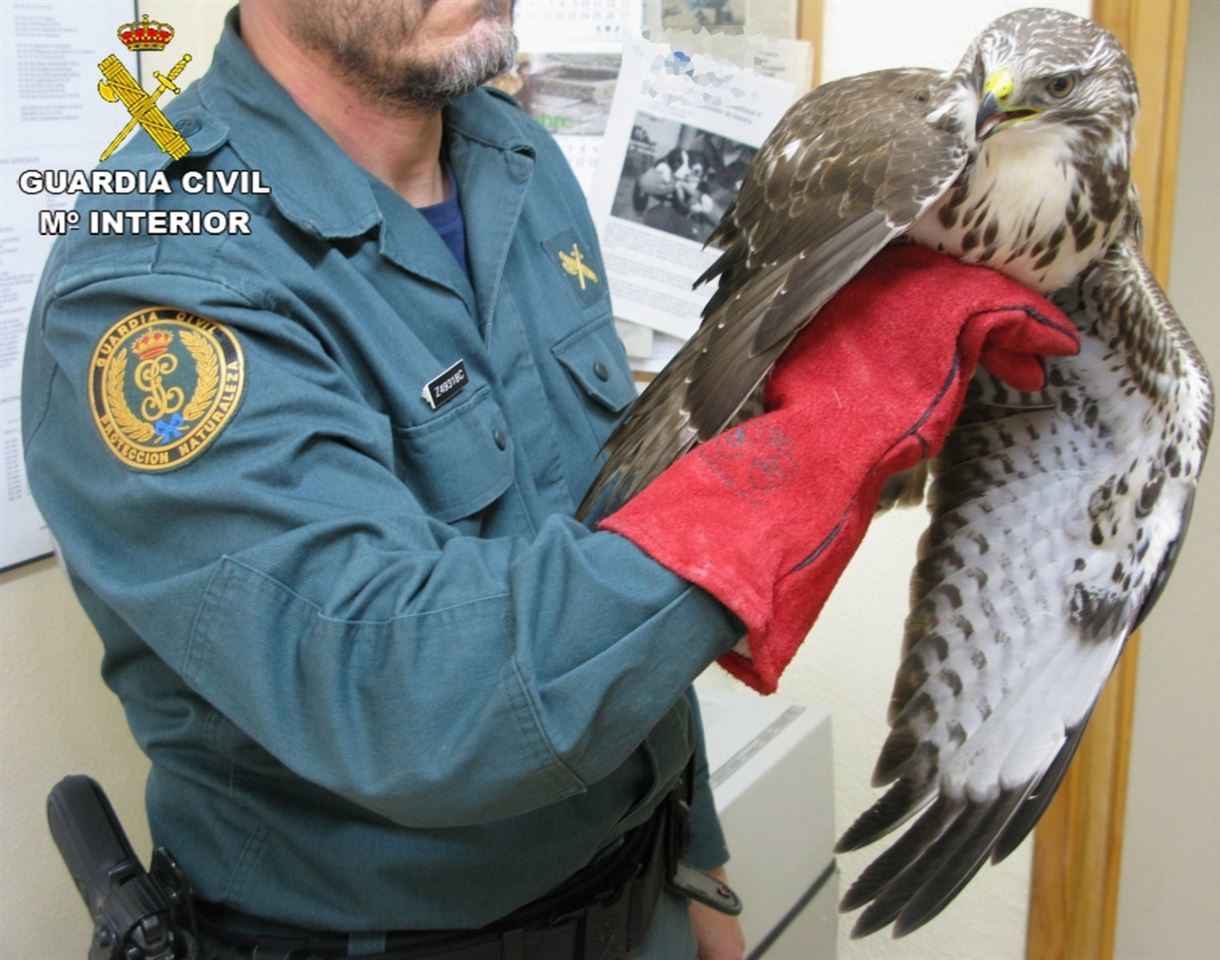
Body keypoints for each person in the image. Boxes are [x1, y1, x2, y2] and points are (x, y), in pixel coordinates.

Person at [22, 1, 1077, 957]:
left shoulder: (514, 158)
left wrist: (695, 855)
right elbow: (417, 702)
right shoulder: (157, 284)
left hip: (643, 893)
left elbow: (609, 529)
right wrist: (820, 441)